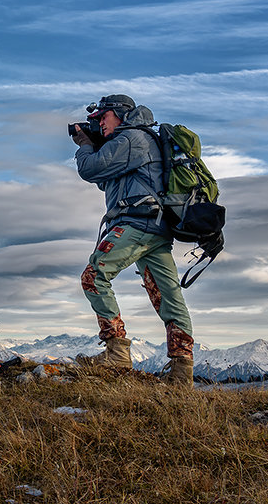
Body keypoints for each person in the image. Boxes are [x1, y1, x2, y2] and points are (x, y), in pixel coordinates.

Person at [70, 94, 195, 386]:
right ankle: (182, 374)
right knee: (168, 297)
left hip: (137, 224)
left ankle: (117, 352)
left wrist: (86, 145)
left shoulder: (132, 139)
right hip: (156, 228)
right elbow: (105, 178)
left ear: (122, 114)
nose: (100, 122)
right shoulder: (138, 141)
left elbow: (90, 170)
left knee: (94, 275)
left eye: (104, 116)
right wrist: (99, 143)